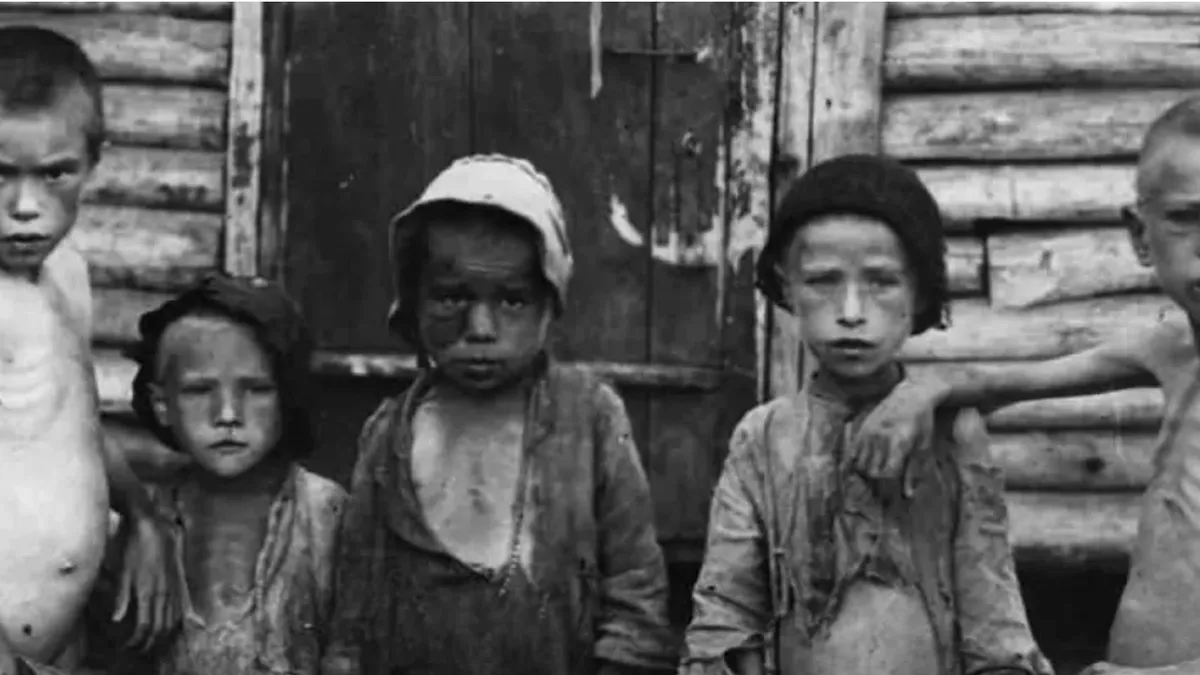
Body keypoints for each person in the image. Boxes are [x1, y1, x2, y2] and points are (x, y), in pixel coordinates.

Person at [850, 95, 1200, 675]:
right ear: (1140, 236)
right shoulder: (1173, 347)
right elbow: (1001, 383)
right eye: (1188, 219)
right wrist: (920, 392)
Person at [680, 155, 1052, 675]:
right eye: (823, 281)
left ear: (920, 293)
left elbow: (993, 619)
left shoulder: (954, 435)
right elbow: (727, 613)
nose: (851, 312)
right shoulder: (764, 438)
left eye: (881, 281)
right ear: (786, 286)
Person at [320, 154, 676, 675]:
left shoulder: (590, 421)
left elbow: (636, 601)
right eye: (451, 298)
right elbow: (353, 618)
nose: (481, 329)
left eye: (512, 301)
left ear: (549, 304)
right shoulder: (388, 436)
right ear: (414, 303)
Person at [0, 25, 179, 675]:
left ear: (93, 162)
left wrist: (142, 513)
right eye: (0, 174)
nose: (25, 206)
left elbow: (73, 422)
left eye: (55, 173)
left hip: (59, 645)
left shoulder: (68, 273)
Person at [95, 273, 346, 675]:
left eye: (256, 389)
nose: (228, 415)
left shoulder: (326, 516)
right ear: (161, 404)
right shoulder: (146, 530)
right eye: (199, 390)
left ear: (286, 396)